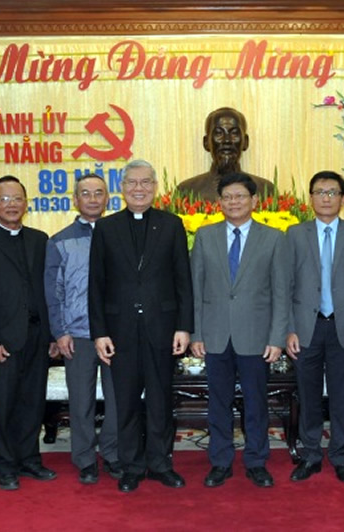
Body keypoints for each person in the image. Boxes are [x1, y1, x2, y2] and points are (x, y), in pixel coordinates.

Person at [89, 160, 193, 493]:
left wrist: (184, 327)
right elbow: (97, 284)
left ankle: (161, 463)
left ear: (155, 186)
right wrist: (100, 332)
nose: (139, 188)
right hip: (119, 332)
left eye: (146, 182)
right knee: (127, 400)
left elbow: (183, 281)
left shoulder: (172, 224)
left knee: (161, 399)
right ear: (122, 187)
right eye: (133, 182)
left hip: (162, 328)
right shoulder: (106, 228)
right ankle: (132, 465)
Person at [190, 172, 289, 488]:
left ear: (254, 201)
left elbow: (280, 293)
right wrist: (196, 334)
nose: (234, 202)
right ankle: (220, 461)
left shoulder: (274, 238)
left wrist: (276, 338)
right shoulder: (205, 236)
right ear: (219, 202)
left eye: (240, 196)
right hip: (215, 335)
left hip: (256, 337)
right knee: (217, 403)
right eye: (228, 197)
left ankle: (257, 461)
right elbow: (195, 289)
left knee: (256, 402)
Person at [0, 175, 56, 491]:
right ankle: (5, 465)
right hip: (1, 340)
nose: (11, 204)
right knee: (2, 404)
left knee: (33, 402)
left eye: (17, 198)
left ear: (26, 202)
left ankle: (29, 460)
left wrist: (54, 336)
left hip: (37, 336)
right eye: (4, 199)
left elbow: (50, 290)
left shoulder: (40, 239)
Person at [285, 171, 344, 483]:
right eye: (320, 192)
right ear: (310, 198)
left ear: (343, 198)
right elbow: (286, 286)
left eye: (332, 192)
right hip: (306, 329)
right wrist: (289, 329)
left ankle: (340, 455)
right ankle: (310, 455)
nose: (326, 197)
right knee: (307, 397)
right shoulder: (294, 234)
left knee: (341, 396)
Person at [44, 173, 120, 485]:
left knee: (118, 399)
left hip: (115, 334)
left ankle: (114, 454)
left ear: (107, 198)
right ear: (76, 199)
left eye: (98, 193)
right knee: (81, 401)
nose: (92, 198)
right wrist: (59, 332)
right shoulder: (59, 240)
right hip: (77, 333)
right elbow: (53, 291)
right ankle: (85, 459)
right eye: (85, 193)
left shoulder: (118, 235)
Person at [176, 107, 276, 201]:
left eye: (234, 133)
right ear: (206, 143)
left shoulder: (265, 190)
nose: (227, 140)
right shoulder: (187, 190)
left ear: (245, 142)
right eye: (219, 133)